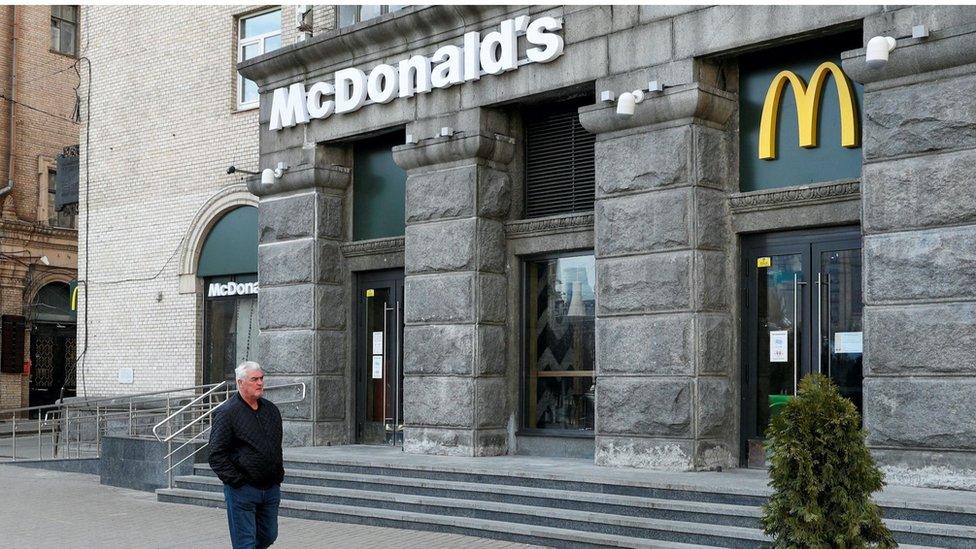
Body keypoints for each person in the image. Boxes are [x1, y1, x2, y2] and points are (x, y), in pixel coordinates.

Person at [209, 361, 284, 549]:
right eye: (254, 379)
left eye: (261, 378)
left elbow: (276, 446)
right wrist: (237, 481)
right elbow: (216, 455)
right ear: (240, 383)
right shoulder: (227, 413)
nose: (260, 383)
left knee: (269, 535)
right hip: (242, 490)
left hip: (270, 488)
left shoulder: (271, 410)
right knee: (245, 543)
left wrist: (277, 475)